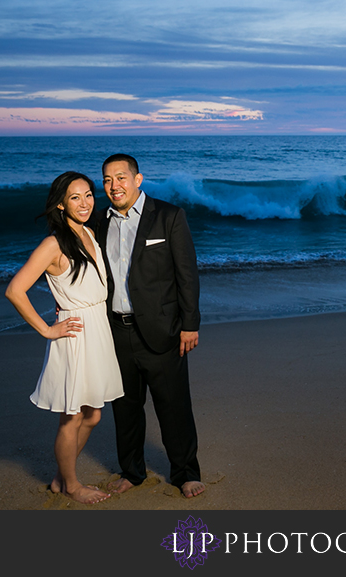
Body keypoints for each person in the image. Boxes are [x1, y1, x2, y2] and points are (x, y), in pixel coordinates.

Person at [5, 171, 124, 505]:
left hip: (97, 327)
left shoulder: (88, 233)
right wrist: (47, 329)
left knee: (94, 415)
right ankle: (72, 484)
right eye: (75, 197)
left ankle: (62, 476)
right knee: (72, 416)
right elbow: (15, 290)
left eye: (88, 195)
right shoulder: (53, 244)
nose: (85, 203)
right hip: (74, 334)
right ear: (60, 204)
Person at [95, 153, 205, 498]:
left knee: (173, 406)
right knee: (125, 409)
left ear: (138, 179)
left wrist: (190, 324)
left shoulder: (169, 216)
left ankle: (186, 473)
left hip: (163, 330)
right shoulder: (98, 222)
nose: (115, 186)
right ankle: (132, 471)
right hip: (115, 331)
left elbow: (187, 274)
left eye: (121, 178)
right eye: (108, 180)